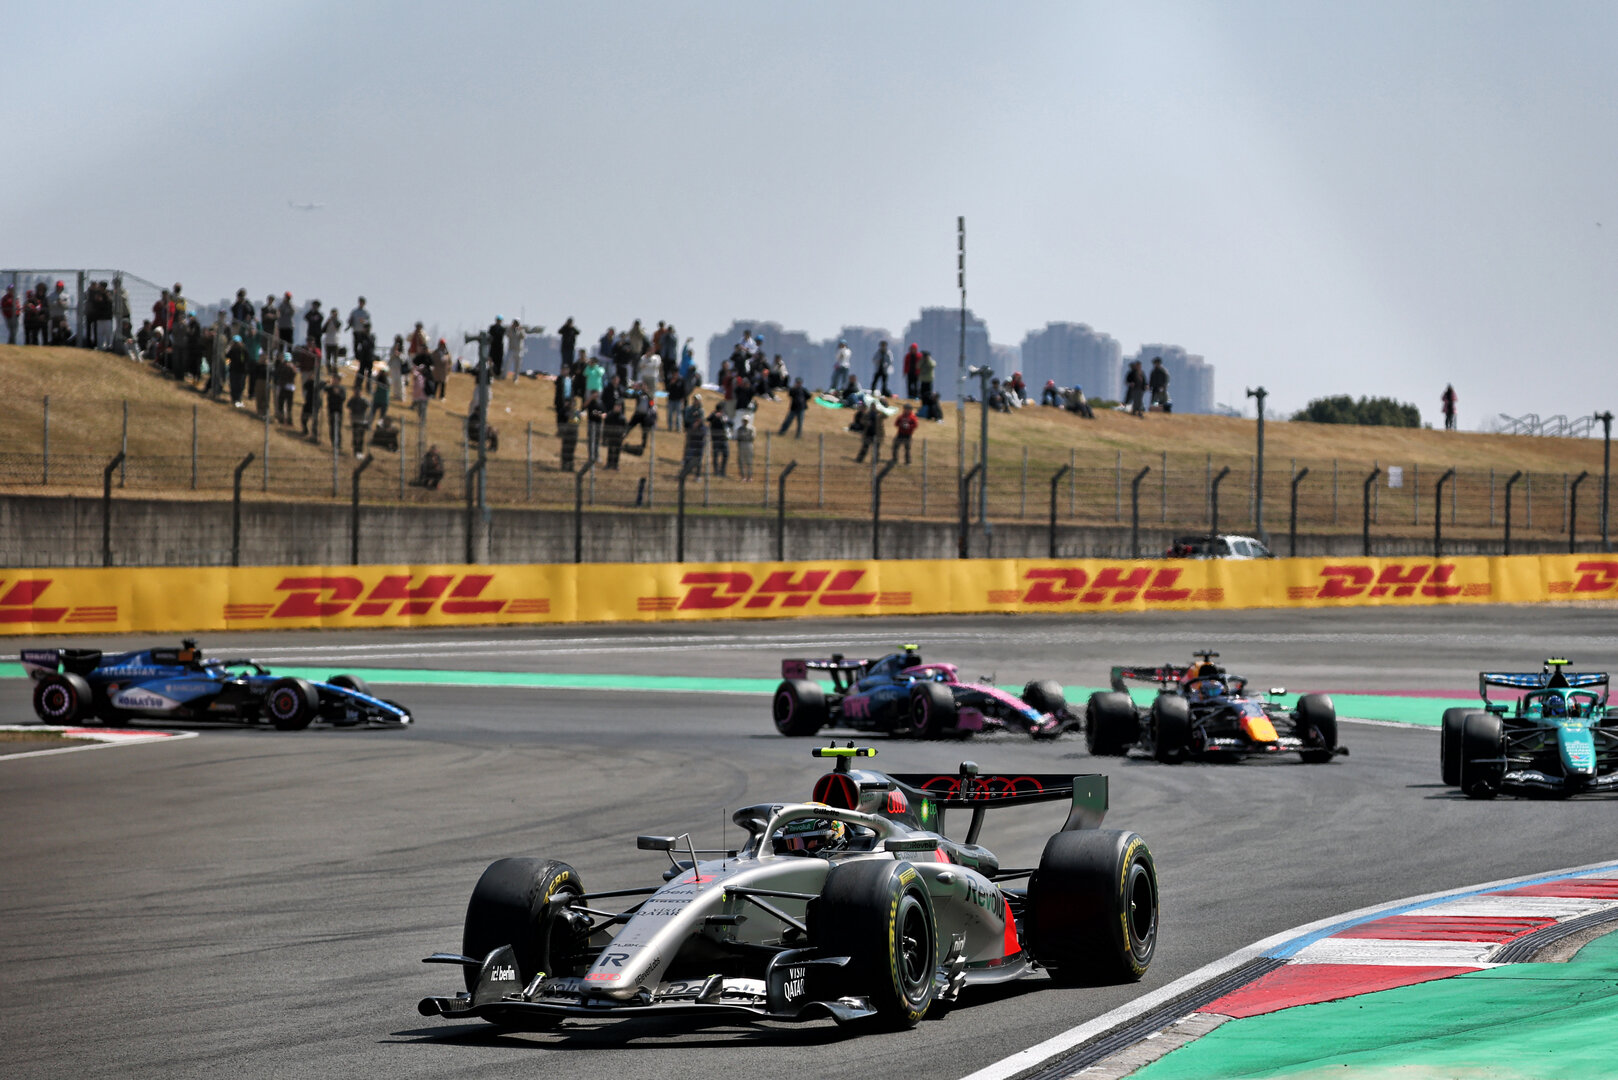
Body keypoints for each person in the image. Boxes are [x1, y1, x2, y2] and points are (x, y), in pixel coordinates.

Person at [324, 374, 348, 450]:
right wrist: (326, 382)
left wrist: (338, 394)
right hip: (331, 409)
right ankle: (333, 443)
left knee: (337, 428)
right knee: (332, 427)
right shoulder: (330, 388)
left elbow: (343, 398)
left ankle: (338, 443)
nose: (334, 381)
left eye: (336, 379)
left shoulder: (342, 389)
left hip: (338, 411)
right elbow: (322, 388)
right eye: (333, 379)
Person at [707, 404, 730, 476]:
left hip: (724, 438)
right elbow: (708, 419)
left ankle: (723, 471)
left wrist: (724, 419)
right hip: (715, 439)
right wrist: (714, 415)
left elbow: (730, 423)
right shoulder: (713, 415)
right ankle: (716, 471)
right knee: (715, 456)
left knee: (725, 455)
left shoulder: (724, 416)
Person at [348, 385, 371, 456]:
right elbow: (349, 408)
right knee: (355, 437)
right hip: (355, 421)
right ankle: (355, 451)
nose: (357, 392)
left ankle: (360, 451)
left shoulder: (364, 400)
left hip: (362, 421)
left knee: (361, 438)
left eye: (358, 390)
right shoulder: (352, 400)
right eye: (355, 390)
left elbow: (368, 406)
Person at [735, 412, 756, 480]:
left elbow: (752, 437)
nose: (745, 422)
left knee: (749, 461)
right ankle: (743, 476)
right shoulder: (740, 429)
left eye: (746, 420)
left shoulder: (751, 428)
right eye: (744, 420)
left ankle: (750, 476)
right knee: (741, 461)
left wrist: (744, 436)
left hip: (749, 444)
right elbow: (738, 437)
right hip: (741, 445)